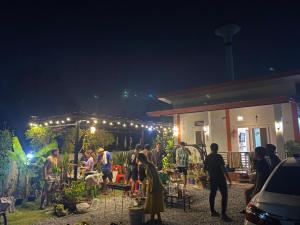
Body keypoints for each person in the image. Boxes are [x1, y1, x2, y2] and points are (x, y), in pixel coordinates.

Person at [204, 143, 232, 222]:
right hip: (220, 178)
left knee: (212, 194)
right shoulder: (219, 157)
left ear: (211, 148)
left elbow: (205, 168)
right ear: (217, 148)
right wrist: (228, 179)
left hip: (212, 178)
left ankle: (212, 211)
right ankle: (223, 215)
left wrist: (209, 174)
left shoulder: (208, 157)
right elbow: (223, 168)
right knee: (224, 195)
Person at [137, 153, 164, 224]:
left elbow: (153, 178)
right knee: (156, 202)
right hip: (155, 185)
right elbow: (154, 177)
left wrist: (151, 188)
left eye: (139, 160)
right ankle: (159, 219)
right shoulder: (150, 164)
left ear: (142, 159)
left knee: (152, 203)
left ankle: (152, 220)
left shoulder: (148, 166)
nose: (139, 161)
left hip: (153, 186)